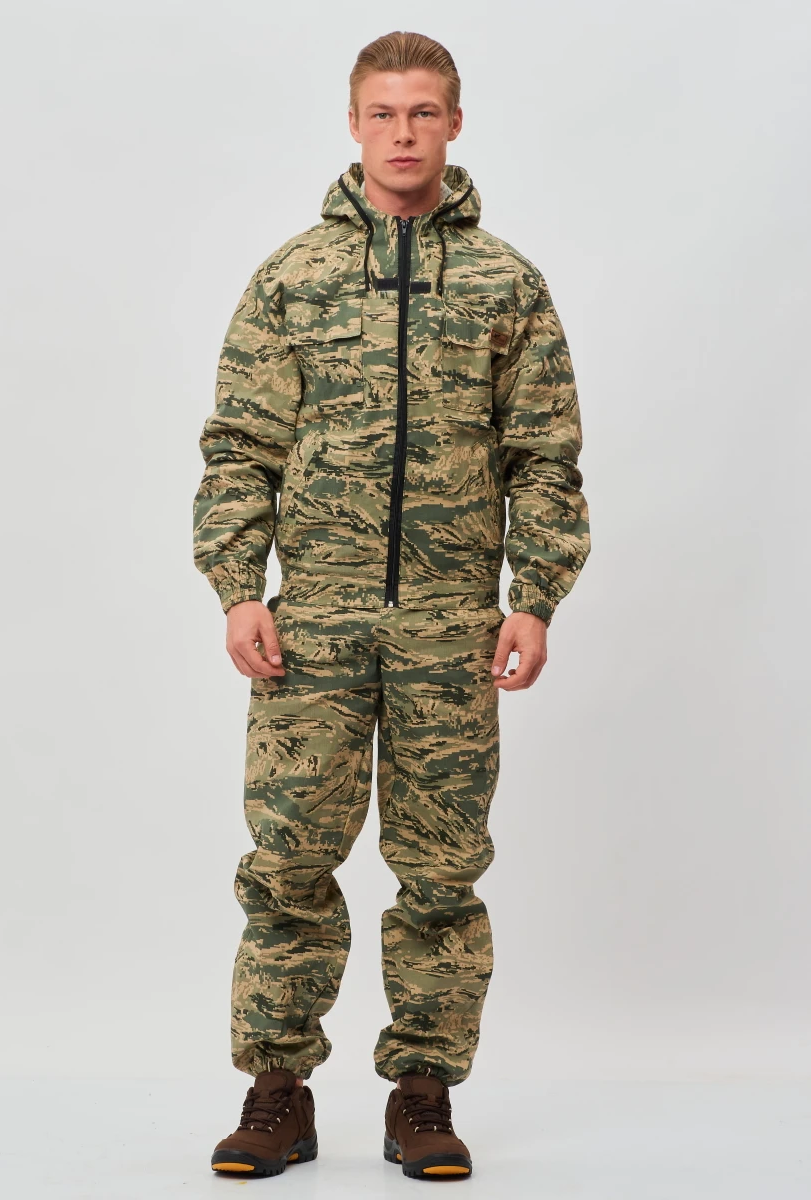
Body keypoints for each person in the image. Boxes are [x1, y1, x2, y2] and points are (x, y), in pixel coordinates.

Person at [193, 29, 590, 1181]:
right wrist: (237, 587)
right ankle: (279, 1091)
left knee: (441, 874)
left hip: (452, 628)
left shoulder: (506, 283)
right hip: (311, 626)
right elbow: (240, 447)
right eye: (383, 112)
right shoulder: (294, 277)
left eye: (423, 112)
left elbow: (544, 457)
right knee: (287, 861)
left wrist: (534, 598)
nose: (403, 132)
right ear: (354, 123)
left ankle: (424, 1093)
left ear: (454, 124)